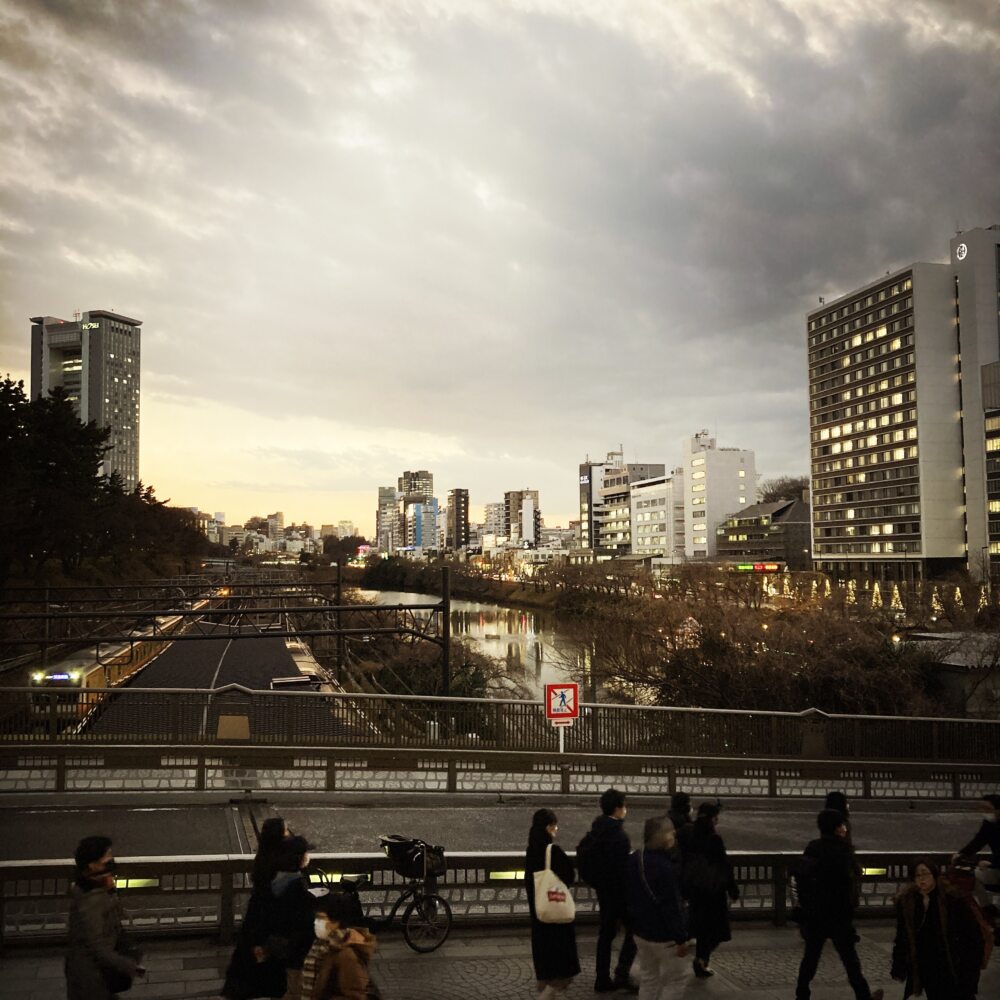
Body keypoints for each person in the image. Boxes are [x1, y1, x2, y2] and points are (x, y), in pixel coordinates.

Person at [793, 808, 883, 1000]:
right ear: (836, 828)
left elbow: (802, 878)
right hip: (838, 917)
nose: (845, 828)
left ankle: (802, 994)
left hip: (815, 915)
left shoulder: (813, 847)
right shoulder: (843, 851)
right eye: (842, 825)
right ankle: (863, 996)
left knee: (810, 958)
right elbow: (848, 884)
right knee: (851, 962)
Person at [223, 820, 297, 999]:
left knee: (251, 964)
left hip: (256, 921)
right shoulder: (280, 863)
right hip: (272, 924)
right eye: (286, 830)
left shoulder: (264, 859)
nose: (289, 832)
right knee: (274, 969)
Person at [891, 858, 984, 1000]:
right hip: (927, 964)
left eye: (925, 874)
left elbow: (972, 936)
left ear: (934, 875)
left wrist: (970, 968)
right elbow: (903, 936)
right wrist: (899, 964)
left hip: (952, 962)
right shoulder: (908, 902)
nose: (922, 879)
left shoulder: (952, 899)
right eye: (917, 875)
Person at [65, 835, 145, 1000]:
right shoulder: (91, 901)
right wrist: (128, 965)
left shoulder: (97, 886)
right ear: (93, 866)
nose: (112, 863)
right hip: (90, 976)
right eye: (107, 860)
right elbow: (96, 946)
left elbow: (114, 917)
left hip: (98, 971)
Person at [625, 817, 689, 1000]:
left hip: (640, 931)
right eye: (671, 833)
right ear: (661, 836)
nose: (673, 837)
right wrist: (680, 938)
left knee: (649, 978)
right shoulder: (665, 868)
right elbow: (671, 906)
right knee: (676, 979)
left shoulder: (635, 859)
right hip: (664, 935)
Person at [524, 808, 580, 998]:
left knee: (546, 958)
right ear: (548, 827)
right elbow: (569, 875)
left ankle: (548, 988)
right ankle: (549, 994)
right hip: (555, 913)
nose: (556, 830)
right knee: (561, 966)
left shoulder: (531, 850)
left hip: (539, 911)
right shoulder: (552, 851)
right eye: (555, 826)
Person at [587, 788, 639, 993]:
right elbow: (622, 870)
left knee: (605, 935)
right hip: (619, 894)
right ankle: (622, 973)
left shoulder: (595, 831)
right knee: (634, 930)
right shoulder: (618, 836)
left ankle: (601, 978)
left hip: (604, 892)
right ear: (618, 808)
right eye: (624, 806)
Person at [683, 802, 737, 978]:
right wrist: (732, 888)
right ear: (711, 819)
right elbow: (724, 865)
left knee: (700, 927)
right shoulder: (714, 839)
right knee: (715, 929)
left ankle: (701, 959)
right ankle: (701, 959)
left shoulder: (690, 835)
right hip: (713, 891)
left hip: (696, 889)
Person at [264, 835, 321, 1000]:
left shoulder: (276, 879)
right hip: (295, 948)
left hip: (277, 942)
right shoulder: (296, 886)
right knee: (296, 990)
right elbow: (305, 923)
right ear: (299, 859)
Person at [299, 890, 377, 1000]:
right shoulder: (320, 945)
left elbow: (353, 994)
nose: (316, 922)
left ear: (336, 921)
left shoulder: (344, 954)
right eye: (316, 918)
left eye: (321, 918)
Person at [956, 793, 1000, 905]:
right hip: (997, 869)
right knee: (972, 877)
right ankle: (987, 909)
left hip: (996, 866)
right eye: (983, 808)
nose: (984, 812)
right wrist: (961, 854)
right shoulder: (989, 824)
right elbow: (978, 841)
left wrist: (991, 864)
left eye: (988, 809)